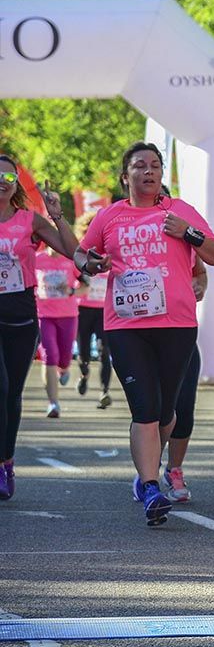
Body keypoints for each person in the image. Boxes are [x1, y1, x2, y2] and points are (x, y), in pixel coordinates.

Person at [74, 141, 214, 526]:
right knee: (143, 408)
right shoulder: (109, 217)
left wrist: (188, 233)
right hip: (127, 326)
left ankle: (150, 469)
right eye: (140, 165)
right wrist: (94, 263)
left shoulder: (180, 211)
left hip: (175, 324)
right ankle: (151, 487)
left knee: (164, 411)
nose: (149, 171)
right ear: (126, 176)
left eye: (155, 165)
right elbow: (82, 256)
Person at [0, 157, 78, 500]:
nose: (2, 180)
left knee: (11, 395)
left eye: (8, 176)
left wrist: (56, 215)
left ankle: (6, 464)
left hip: (21, 314)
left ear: (16, 184)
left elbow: (72, 252)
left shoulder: (29, 220)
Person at [160, 255, 209, 503]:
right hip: (143, 337)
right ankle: (147, 471)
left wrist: (199, 285)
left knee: (185, 406)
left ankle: (173, 470)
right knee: (154, 410)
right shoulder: (130, 230)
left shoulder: (182, 234)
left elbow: (201, 273)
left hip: (183, 336)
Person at [73, 211, 113, 409]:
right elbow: (71, 274)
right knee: (84, 353)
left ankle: (105, 391)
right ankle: (84, 373)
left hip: (104, 310)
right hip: (83, 309)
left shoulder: (110, 251)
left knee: (105, 351)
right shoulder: (81, 254)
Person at [35, 246, 80, 418]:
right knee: (49, 356)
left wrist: (72, 291)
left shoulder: (71, 259)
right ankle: (53, 404)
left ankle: (64, 368)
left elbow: (85, 286)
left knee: (64, 358)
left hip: (68, 315)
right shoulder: (37, 259)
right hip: (44, 315)